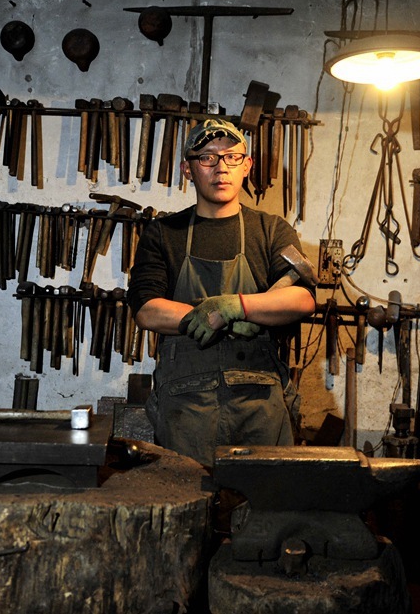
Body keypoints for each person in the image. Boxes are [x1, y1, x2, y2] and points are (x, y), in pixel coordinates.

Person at [127, 118, 317, 469]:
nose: (221, 168)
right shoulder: (163, 233)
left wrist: (239, 305)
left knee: (266, 498)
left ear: (247, 166)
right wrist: (210, 316)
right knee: (187, 495)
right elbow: (146, 308)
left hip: (260, 403)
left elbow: (302, 298)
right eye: (207, 158)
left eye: (232, 157)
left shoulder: (271, 230)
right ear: (187, 169)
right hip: (185, 405)